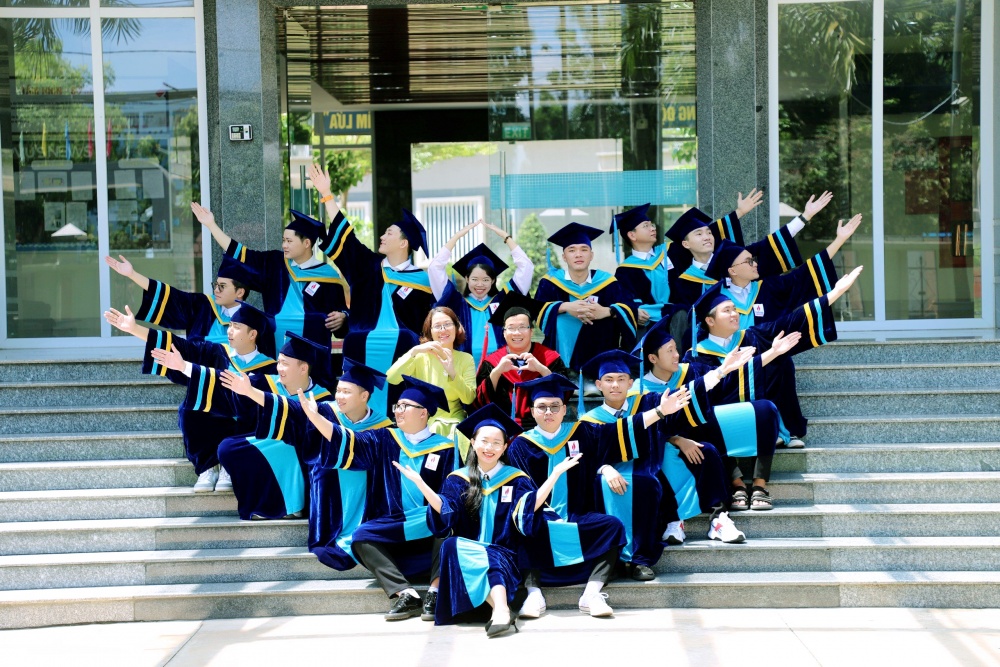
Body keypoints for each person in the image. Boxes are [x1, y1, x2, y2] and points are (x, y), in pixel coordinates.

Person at [507, 374, 690, 619]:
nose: (548, 412)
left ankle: (592, 593)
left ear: (565, 410)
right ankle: (533, 593)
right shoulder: (520, 446)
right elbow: (521, 496)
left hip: (577, 515)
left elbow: (619, 431)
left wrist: (659, 411)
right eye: (542, 407)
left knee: (612, 527)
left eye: (555, 406)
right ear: (532, 411)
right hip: (541, 518)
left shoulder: (581, 432)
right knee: (522, 528)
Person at [398, 404, 576, 636]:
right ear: (473, 442)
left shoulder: (516, 479)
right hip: (467, 557)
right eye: (484, 441)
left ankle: (500, 610)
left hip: (504, 554)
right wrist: (421, 484)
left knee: (491, 556)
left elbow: (528, 509)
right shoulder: (458, 479)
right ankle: (501, 610)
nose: (489, 448)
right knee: (450, 544)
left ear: (504, 447)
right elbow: (446, 511)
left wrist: (554, 475)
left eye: (496, 443)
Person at [580, 349, 752, 574]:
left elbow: (683, 396)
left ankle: (716, 517)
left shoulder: (644, 402)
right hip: (618, 472)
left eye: (621, 379)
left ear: (631, 383)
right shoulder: (588, 421)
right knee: (643, 484)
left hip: (652, 463)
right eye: (609, 380)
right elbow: (587, 457)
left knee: (706, 451)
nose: (615, 385)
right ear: (598, 385)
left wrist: (721, 371)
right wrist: (605, 468)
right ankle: (636, 557)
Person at [301, 375, 455, 622]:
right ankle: (405, 593)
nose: (398, 411)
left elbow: (452, 495)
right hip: (395, 525)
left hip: (427, 523)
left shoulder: (446, 448)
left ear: (423, 413)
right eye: (397, 406)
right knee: (361, 536)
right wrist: (316, 418)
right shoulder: (384, 439)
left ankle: (435, 591)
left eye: (405, 406)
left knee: (447, 521)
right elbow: (348, 440)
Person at [149, 332, 335, 520]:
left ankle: (295, 505)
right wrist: (184, 367)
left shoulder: (322, 398)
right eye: (279, 362)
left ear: (303, 368)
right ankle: (267, 505)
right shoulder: (265, 382)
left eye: (285, 364)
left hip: (299, 455)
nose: (279, 368)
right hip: (267, 443)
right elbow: (224, 384)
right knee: (228, 448)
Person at [683, 266, 864, 455]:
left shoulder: (751, 337)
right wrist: (766, 356)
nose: (735, 314)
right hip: (725, 423)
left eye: (735, 309)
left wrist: (836, 293)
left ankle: (776, 430)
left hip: (757, 414)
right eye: (727, 310)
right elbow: (708, 395)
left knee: (780, 362)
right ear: (710, 321)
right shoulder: (696, 355)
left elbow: (791, 321)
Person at [232, 358, 392, 569]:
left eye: (346, 392)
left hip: (363, 496)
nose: (339, 396)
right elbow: (291, 410)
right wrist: (251, 392)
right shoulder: (325, 411)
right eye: (338, 390)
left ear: (364, 396)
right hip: (329, 494)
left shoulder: (383, 426)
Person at [102, 301, 275, 493]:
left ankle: (228, 465)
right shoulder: (216, 352)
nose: (229, 331)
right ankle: (208, 466)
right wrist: (135, 329)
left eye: (237, 326)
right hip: (214, 422)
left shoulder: (270, 368)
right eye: (230, 325)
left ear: (252, 334)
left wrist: (188, 368)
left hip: (244, 425)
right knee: (190, 408)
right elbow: (181, 346)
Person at [309, 163, 435, 413]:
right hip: (362, 350)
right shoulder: (368, 266)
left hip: (403, 356)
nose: (382, 237)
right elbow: (347, 240)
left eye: (389, 233)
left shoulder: (422, 281)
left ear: (404, 243)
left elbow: (427, 326)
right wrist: (327, 195)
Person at [190, 202, 350, 356]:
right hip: (277, 350)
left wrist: (343, 317)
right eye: (283, 240)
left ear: (306, 243)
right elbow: (241, 254)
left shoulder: (328, 276)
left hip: (315, 354)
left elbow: (341, 315)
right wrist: (211, 225)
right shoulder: (275, 264)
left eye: (289, 241)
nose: (284, 245)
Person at [667, 191, 836, 308]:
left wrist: (805, 217)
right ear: (686, 244)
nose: (707, 237)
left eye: (709, 232)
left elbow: (770, 244)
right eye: (699, 234)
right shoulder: (684, 283)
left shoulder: (736, 260)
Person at [533, 223, 637, 406]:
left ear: (591, 255)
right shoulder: (550, 283)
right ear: (564, 256)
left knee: (604, 320)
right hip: (563, 354)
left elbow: (629, 309)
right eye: (572, 250)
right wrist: (565, 306)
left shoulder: (607, 282)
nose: (578, 254)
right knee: (561, 318)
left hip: (599, 351)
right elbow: (537, 311)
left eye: (584, 249)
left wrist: (607, 311)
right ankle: (568, 374)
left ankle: (594, 375)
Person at [703, 213, 863, 329]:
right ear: (732, 271)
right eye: (748, 261)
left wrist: (839, 240)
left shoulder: (768, 288)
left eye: (754, 259)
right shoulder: (716, 299)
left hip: (773, 364)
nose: (755, 264)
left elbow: (804, 274)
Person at [429, 219, 535, 367]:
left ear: (493, 280)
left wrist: (506, 237)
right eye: (474, 279)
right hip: (464, 369)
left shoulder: (504, 300)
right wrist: (456, 237)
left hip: (501, 367)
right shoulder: (455, 301)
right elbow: (435, 268)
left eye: (485, 279)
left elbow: (526, 267)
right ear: (467, 279)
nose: (480, 284)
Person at [106, 254, 261, 347]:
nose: (216, 290)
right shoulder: (203, 306)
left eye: (222, 287)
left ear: (240, 292)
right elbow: (173, 298)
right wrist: (132, 275)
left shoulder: (257, 322)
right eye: (216, 285)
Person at [386, 307, 476, 456]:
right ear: (430, 331)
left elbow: (469, 398)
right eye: (437, 326)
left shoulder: (466, 359)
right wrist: (414, 351)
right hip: (421, 418)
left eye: (447, 324)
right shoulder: (420, 356)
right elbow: (392, 378)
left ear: (456, 328)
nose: (443, 330)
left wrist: (452, 372)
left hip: (453, 420)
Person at [473, 290, 567, 428]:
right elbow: (479, 401)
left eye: (522, 327)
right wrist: (497, 372)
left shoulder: (550, 357)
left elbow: (564, 393)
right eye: (511, 328)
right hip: (503, 426)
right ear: (504, 333)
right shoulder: (492, 361)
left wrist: (541, 369)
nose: (517, 333)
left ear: (531, 331)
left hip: (541, 426)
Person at [611, 203, 685, 337]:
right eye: (646, 226)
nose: (652, 228)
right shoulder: (625, 271)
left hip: (678, 321)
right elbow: (627, 302)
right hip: (649, 329)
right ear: (632, 235)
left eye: (652, 225)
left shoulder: (669, 252)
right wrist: (635, 311)